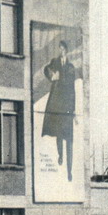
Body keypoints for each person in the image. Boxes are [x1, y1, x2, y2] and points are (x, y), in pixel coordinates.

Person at [41, 39, 77, 181]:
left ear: (66, 50)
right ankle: (60, 155)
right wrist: (51, 75)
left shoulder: (70, 66)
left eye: (62, 49)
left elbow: (71, 85)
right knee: (57, 133)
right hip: (56, 104)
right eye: (59, 48)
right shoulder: (55, 61)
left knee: (69, 138)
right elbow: (46, 69)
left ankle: (69, 171)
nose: (60, 51)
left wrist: (73, 110)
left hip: (67, 106)